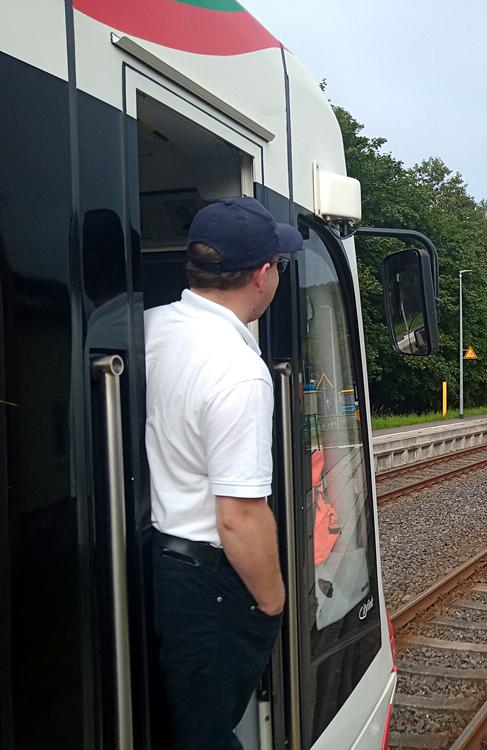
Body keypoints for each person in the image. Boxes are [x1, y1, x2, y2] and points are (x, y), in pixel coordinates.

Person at [145, 197, 303, 749]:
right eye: (278, 267)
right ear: (263, 275)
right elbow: (237, 516)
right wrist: (273, 601)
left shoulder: (149, 328)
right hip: (209, 586)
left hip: (158, 563)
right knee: (208, 735)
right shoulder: (240, 372)